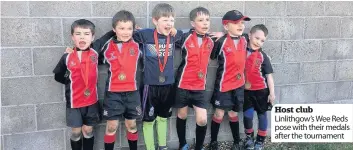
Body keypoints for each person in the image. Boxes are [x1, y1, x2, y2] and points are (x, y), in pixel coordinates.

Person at [53, 19, 100, 150]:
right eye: (78, 34)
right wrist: (70, 78)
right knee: (76, 132)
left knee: (88, 131)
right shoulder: (67, 57)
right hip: (74, 103)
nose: (82, 37)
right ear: (72, 37)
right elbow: (58, 76)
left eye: (86, 33)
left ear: (93, 37)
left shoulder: (95, 54)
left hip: (91, 102)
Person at [209, 10, 251, 150]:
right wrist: (222, 36)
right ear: (226, 26)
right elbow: (213, 57)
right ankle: (213, 142)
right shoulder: (221, 42)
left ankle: (237, 142)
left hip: (239, 85)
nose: (241, 25)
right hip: (223, 85)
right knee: (219, 113)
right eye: (236, 23)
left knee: (233, 113)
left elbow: (254, 35)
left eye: (242, 23)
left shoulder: (245, 39)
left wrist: (226, 33)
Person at [242, 24, 275, 150]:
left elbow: (269, 76)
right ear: (249, 35)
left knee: (262, 115)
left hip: (261, 91)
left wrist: (272, 93)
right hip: (246, 91)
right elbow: (235, 36)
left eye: (262, 41)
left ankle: (260, 140)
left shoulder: (263, 56)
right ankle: (249, 138)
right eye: (257, 38)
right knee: (247, 116)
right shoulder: (241, 48)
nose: (259, 42)